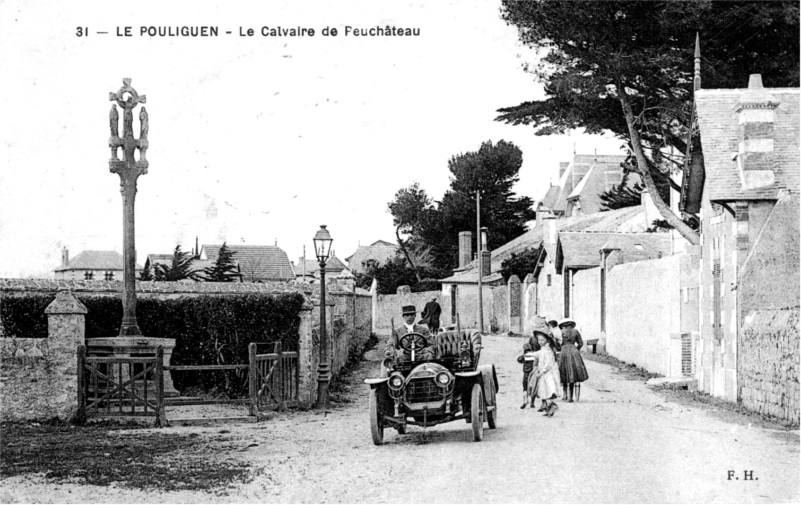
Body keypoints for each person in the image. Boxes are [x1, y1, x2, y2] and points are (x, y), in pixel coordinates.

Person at [531, 327, 562, 417]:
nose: (540, 342)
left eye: (542, 340)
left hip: (549, 374)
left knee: (548, 390)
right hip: (545, 374)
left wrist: (542, 372)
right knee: (544, 390)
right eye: (539, 340)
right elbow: (538, 354)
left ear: (547, 340)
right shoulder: (544, 349)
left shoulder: (548, 351)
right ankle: (549, 409)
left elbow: (549, 364)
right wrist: (527, 355)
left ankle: (552, 405)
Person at [557, 318, 589, 402]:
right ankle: (570, 397)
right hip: (574, 351)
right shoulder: (576, 331)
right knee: (572, 372)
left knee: (563, 371)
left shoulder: (561, 332)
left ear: (563, 325)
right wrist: (576, 349)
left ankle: (564, 395)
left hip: (564, 351)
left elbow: (558, 344)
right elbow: (581, 343)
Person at [517, 342, 537, 409]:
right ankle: (532, 403)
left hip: (526, 373)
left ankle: (525, 400)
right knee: (533, 388)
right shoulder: (534, 356)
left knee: (525, 388)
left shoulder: (525, 356)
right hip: (533, 374)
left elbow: (519, 359)